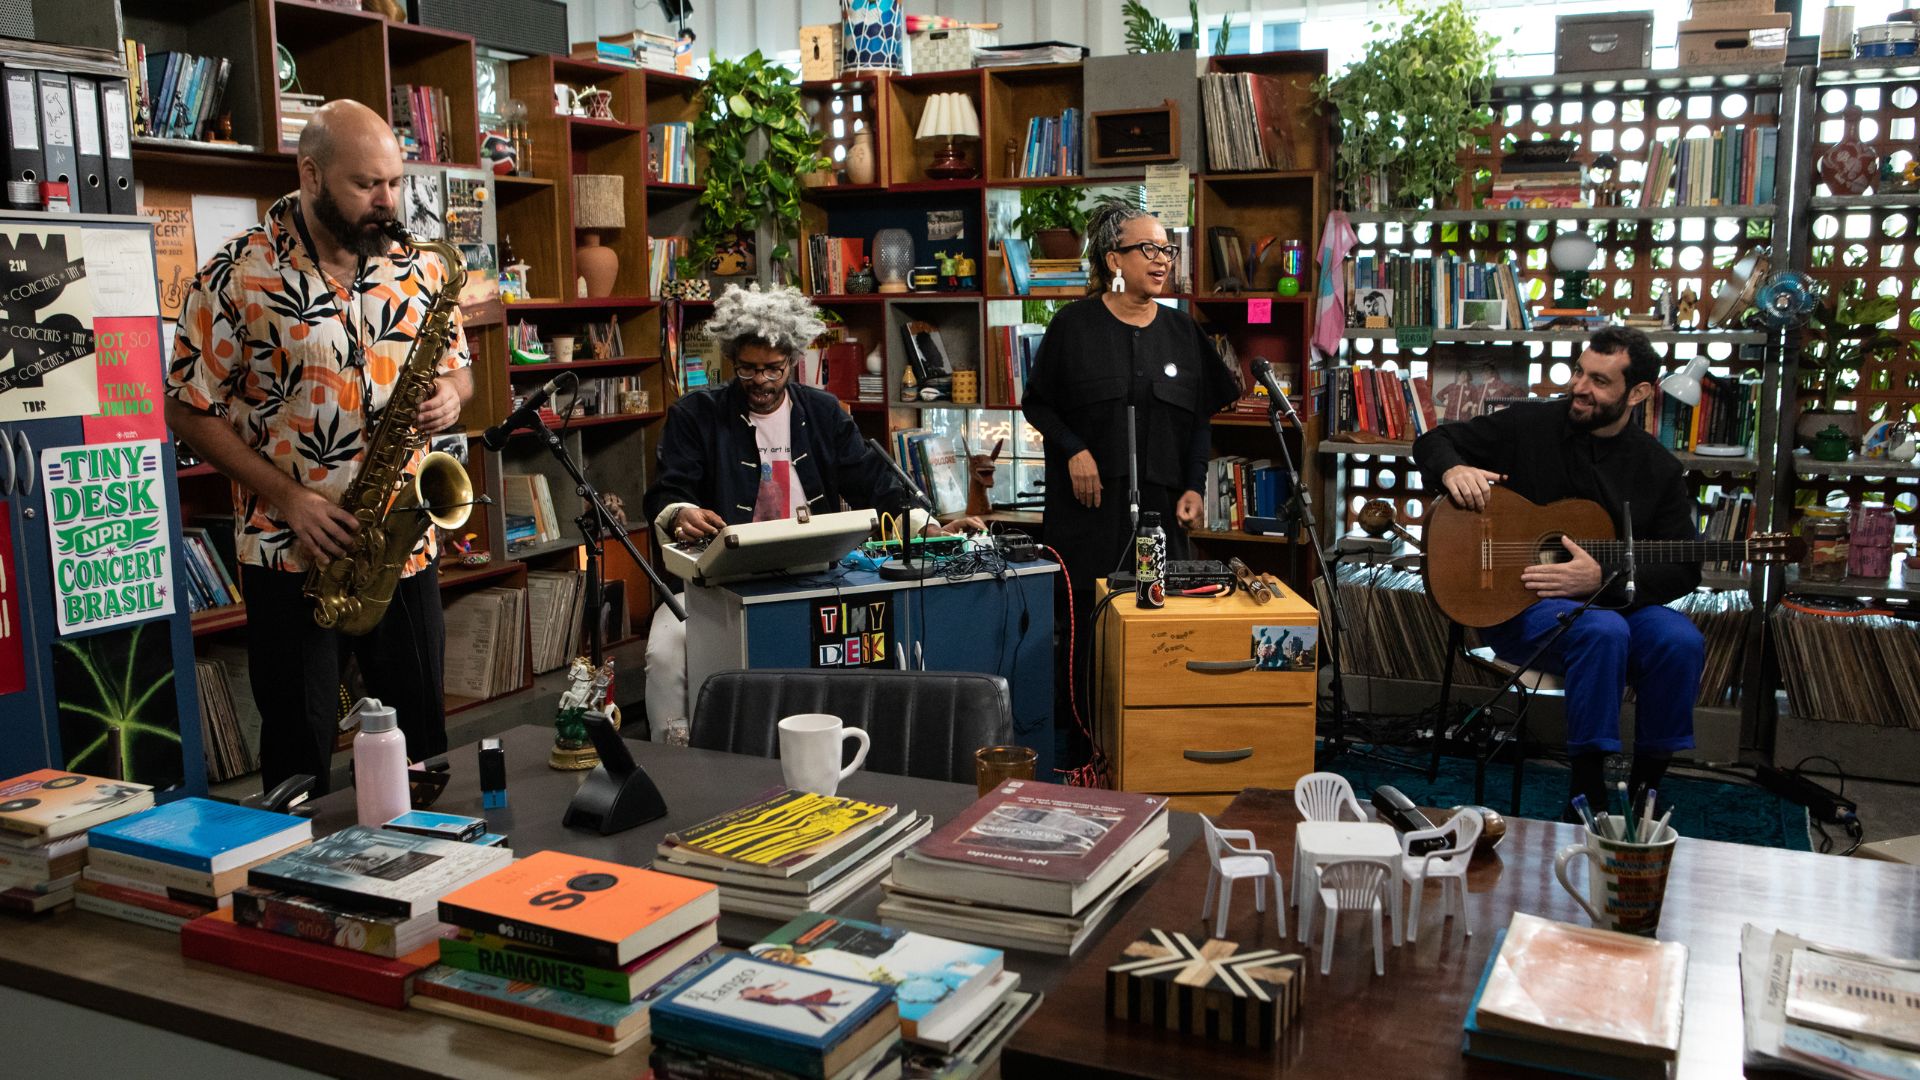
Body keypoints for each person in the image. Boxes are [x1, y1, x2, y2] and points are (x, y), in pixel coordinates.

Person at [163, 100, 473, 796]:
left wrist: (453, 395)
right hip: (291, 551)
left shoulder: (418, 267)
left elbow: (460, 369)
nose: (387, 201)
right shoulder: (236, 273)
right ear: (310, 174)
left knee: (423, 750)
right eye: (367, 184)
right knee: (299, 759)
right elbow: (184, 406)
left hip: (401, 546)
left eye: (394, 182)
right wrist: (291, 499)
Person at [641, 284, 970, 738]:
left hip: (817, 574)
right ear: (731, 359)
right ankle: (672, 754)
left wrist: (923, 524)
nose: (760, 381)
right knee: (665, 653)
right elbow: (667, 490)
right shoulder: (695, 414)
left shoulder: (823, 412)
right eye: (747, 369)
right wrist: (681, 512)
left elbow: (875, 483)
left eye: (773, 369)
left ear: (793, 361)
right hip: (716, 581)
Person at [1411, 326, 1703, 812]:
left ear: (1638, 394)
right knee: (1602, 631)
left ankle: (1646, 791)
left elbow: (1684, 567)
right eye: (1579, 372)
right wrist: (1452, 469)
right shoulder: (1529, 425)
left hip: (1619, 603)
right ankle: (1587, 795)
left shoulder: (1658, 468)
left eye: (1599, 381)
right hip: (1523, 605)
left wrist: (1604, 580)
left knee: (1680, 640)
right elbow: (1433, 440)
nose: (1578, 387)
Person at [1021, 203, 1239, 768]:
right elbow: (1038, 404)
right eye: (1148, 249)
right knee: (1087, 636)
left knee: (1160, 631)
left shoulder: (1181, 331)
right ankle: (1085, 760)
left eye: (1167, 249)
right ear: (1114, 259)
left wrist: (1194, 486)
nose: (1162, 260)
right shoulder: (1073, 326)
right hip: (1087, 516)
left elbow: (1199, 420)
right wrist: (1074, 450)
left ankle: (1158, 753)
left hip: (1160, 519)